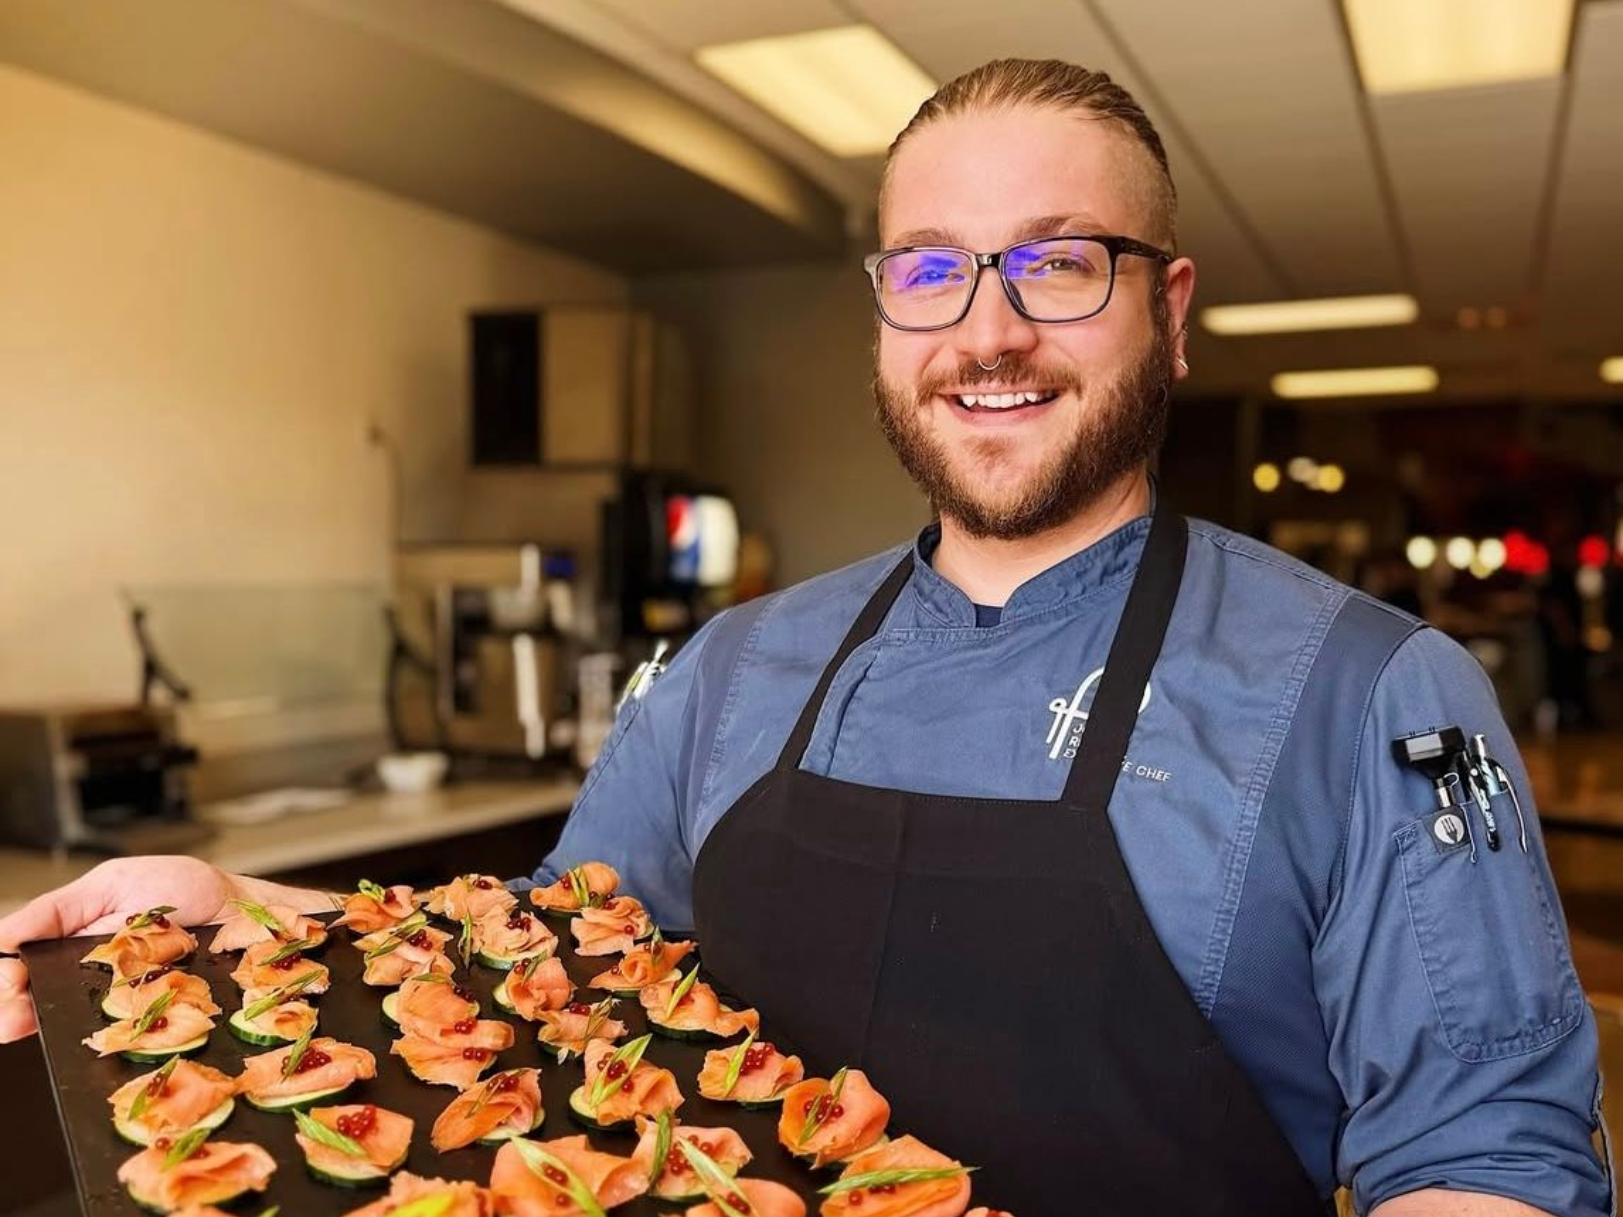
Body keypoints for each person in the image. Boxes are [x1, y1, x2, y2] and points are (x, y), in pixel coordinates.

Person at [0, 58, 1606, 1217]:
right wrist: (240, 913)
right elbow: (548, 955)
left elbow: (1489, 1161)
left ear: (1169, 309)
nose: (987, 330)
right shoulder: (732, 665)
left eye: (1058, 262)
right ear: (883, 312)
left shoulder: (1377, 690)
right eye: (930, 270)